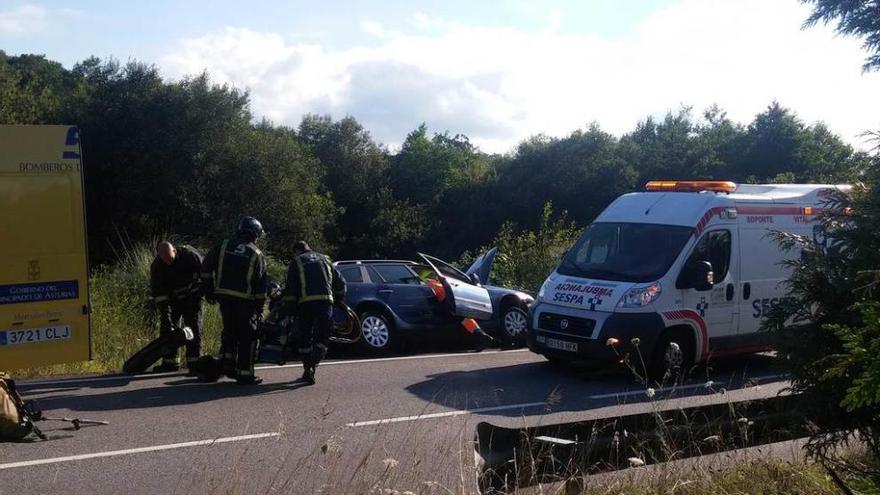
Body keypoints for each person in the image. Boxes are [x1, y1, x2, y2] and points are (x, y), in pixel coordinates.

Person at [201, 217, 268, 385]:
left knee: (229, 330)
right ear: (254, 234)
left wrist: (208, 290)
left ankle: (227, 365)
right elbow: (260, 286)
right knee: (247, 335)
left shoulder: (223, 245)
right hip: (244, 300)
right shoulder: (256, 254)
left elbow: (206, 268)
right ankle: (245, 373)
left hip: (223, 296)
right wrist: (259, 310)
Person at [283, 241, 346, 385]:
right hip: (325, 304)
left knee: (305, 337)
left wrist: (290, 310)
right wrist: (338, 299)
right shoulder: (325, 259)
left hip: (306, 305)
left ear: (297, 251)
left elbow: (291, 289)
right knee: (324, 335)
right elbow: (341, 283)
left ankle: (308, 368)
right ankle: (314, 362)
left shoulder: (296, 261)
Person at [149, 241, 204, 373]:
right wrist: (165, 315)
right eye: (165, 261)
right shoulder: (157, 266)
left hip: (192, 296)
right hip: (173, 299)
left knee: (193, 327)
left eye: (171, 260)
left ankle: (194, 363)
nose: (168, 263)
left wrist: (199, 293)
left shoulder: (190, 256)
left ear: (174, 250)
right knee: (168, 329)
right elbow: (159, 294)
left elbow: (205, 275)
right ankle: (170, 363)